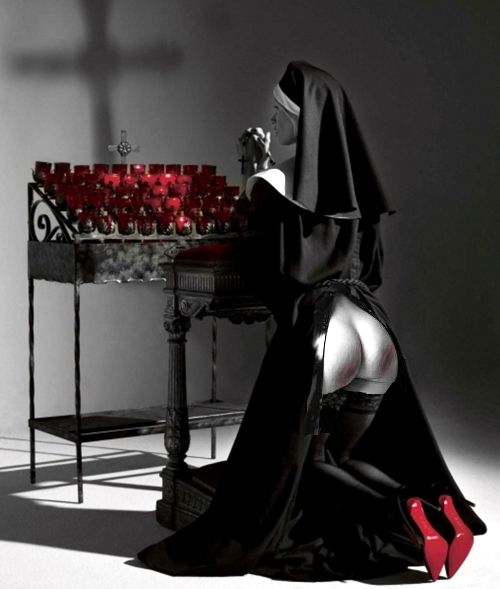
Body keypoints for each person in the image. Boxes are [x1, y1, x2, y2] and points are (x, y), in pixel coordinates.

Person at [138, 61, 486, 582]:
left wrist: (254, 182)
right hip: (373, 331)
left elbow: (271, 272)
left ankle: (399, 511)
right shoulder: (359, 191)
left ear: (305, 121)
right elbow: (372, 271)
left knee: (298, 469)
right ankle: (432, 509)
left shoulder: (272, 184)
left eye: (280, 114)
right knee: (338, 458)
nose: (272, 122)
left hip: (326, 334)